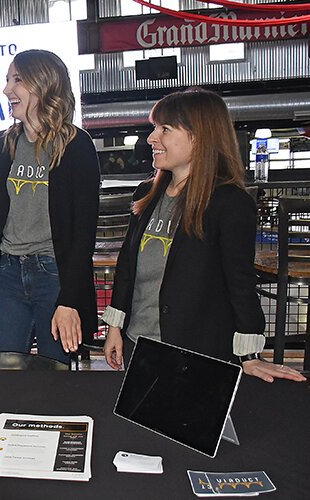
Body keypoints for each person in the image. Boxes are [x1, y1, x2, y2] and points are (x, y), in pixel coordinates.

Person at [94, 88, 305, 383]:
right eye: (155, 128)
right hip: (138, 345)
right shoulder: (146, 194)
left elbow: (240, 283)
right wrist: (115, 327)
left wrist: (248, 355)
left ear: (199, 136)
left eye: (164, 129)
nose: (151, 138)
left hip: (197, 356)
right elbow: (128, 268)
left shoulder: (229, 202)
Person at [0, 50, 100, 364]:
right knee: (4, 371)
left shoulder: (76, 145)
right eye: (7, 80)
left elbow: (84, 232)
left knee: (55, 376)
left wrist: (70, 299)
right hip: (8, 273)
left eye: (16, 80)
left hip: (55, 275)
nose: (6, 90)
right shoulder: (2, 144)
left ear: (43, 84)